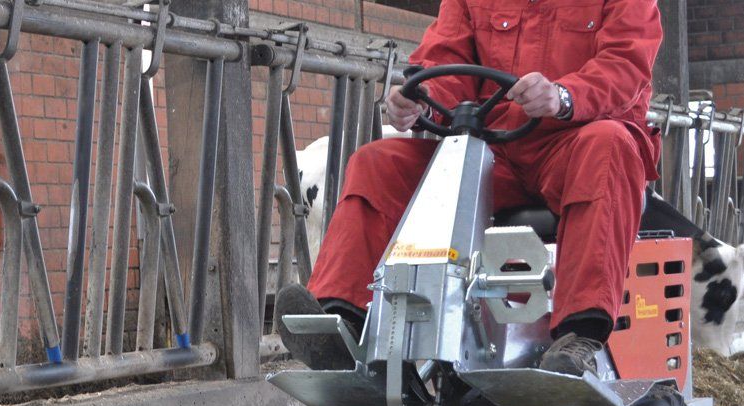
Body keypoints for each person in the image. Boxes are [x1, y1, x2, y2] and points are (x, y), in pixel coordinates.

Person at [277, 0, 664, 376]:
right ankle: (340, 324)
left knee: (609, 146)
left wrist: (564, 96)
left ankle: (578, 339)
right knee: (377, 163)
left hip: (576, 142)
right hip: (496, 146)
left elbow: (625, 66)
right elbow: (446, 61)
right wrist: (422, 103)